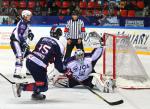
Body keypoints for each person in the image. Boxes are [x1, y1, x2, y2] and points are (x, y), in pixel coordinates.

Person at [14, 27, 71, 100]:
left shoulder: (42, 38)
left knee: (42, 80)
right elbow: (59, 66)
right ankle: (22, 87)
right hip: (38, 66)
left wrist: (49, 58)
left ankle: (36, 93)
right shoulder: (60, 46)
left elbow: (38, 51)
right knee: (44, 86)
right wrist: (66, 71)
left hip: (29, 61)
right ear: (60, 35)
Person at [10, 10, 34, 79]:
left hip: (20, 42)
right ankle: (17, 73)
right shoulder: (22, 24)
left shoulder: (25, 22)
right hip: (16, 41)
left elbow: (27, 29)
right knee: (20, 56)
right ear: (25, 16)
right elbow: (20, 35)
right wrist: (23, 43)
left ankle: (29, 71)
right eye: (29, 16)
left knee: (30, 55)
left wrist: (30, 33)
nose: (30, 17)